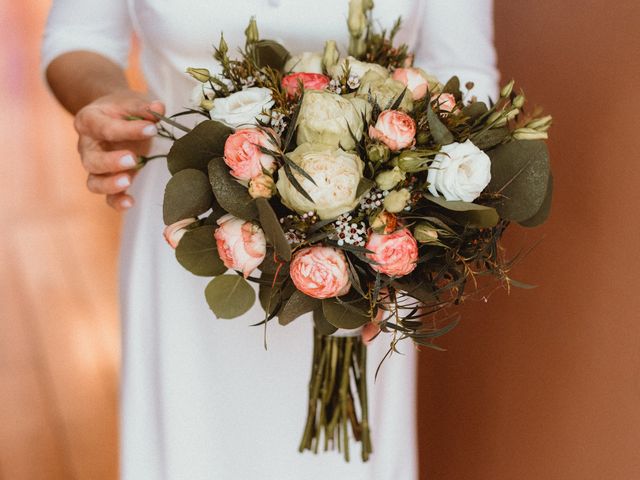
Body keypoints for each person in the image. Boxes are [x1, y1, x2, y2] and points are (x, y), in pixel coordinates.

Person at [42, 1, 498, 478]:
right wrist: (112, 105)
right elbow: (77, 39)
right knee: (192, 445)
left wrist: (408, 227)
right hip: (185, 234)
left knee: (338, 460)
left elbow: (464, 73)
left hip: (371, 247)